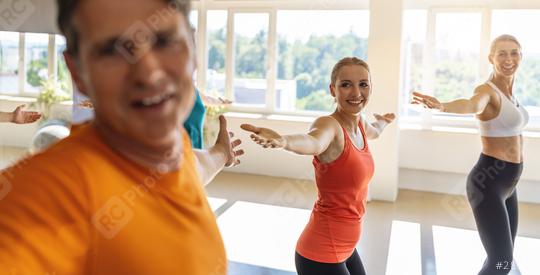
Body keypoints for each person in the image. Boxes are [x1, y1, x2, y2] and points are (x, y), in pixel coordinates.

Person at [0, 0, 244, 274]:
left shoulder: (170, 152)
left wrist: (222, 152)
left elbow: (196, 166)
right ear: (77, 73)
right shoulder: (48, 197)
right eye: (114, 50)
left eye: (163, 41)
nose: (149, 73)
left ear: (193, 49)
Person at [242, 57, 395, 275]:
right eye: (346, 84)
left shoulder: (360, 123)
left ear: (371, 87)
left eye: (363, 84)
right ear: (333, 90)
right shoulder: (329, 125)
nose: (356, 93)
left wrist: (384, 122)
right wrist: (284, 141)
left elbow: (375, 131)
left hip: (347, 248)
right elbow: (313, 141)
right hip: (321, 253)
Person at [412, 34, 528, 275]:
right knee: (501, 262)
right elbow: (472, 104)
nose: (509, 58)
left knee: (502, 258)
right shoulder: (487, 91)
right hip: (489, 182)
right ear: (491, 58)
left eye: (514, 52)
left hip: (509, 185)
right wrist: (443, 106)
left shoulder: (512, 95)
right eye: (502, 53)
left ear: (521, 56)